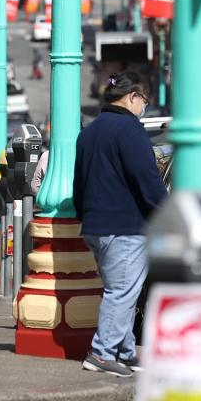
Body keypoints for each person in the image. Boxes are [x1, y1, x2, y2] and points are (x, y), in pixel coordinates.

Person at [73, 71, 168, 378]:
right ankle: (102, 353)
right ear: (132, 97)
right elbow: (147, 179)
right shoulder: (130, 130)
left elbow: (79, 182)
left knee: (120, 290)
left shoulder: (90, 131)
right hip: (125, 224)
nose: (145, 107)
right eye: (144, 100)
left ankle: (124, 352)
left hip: (95, 224)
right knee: (123, 292)